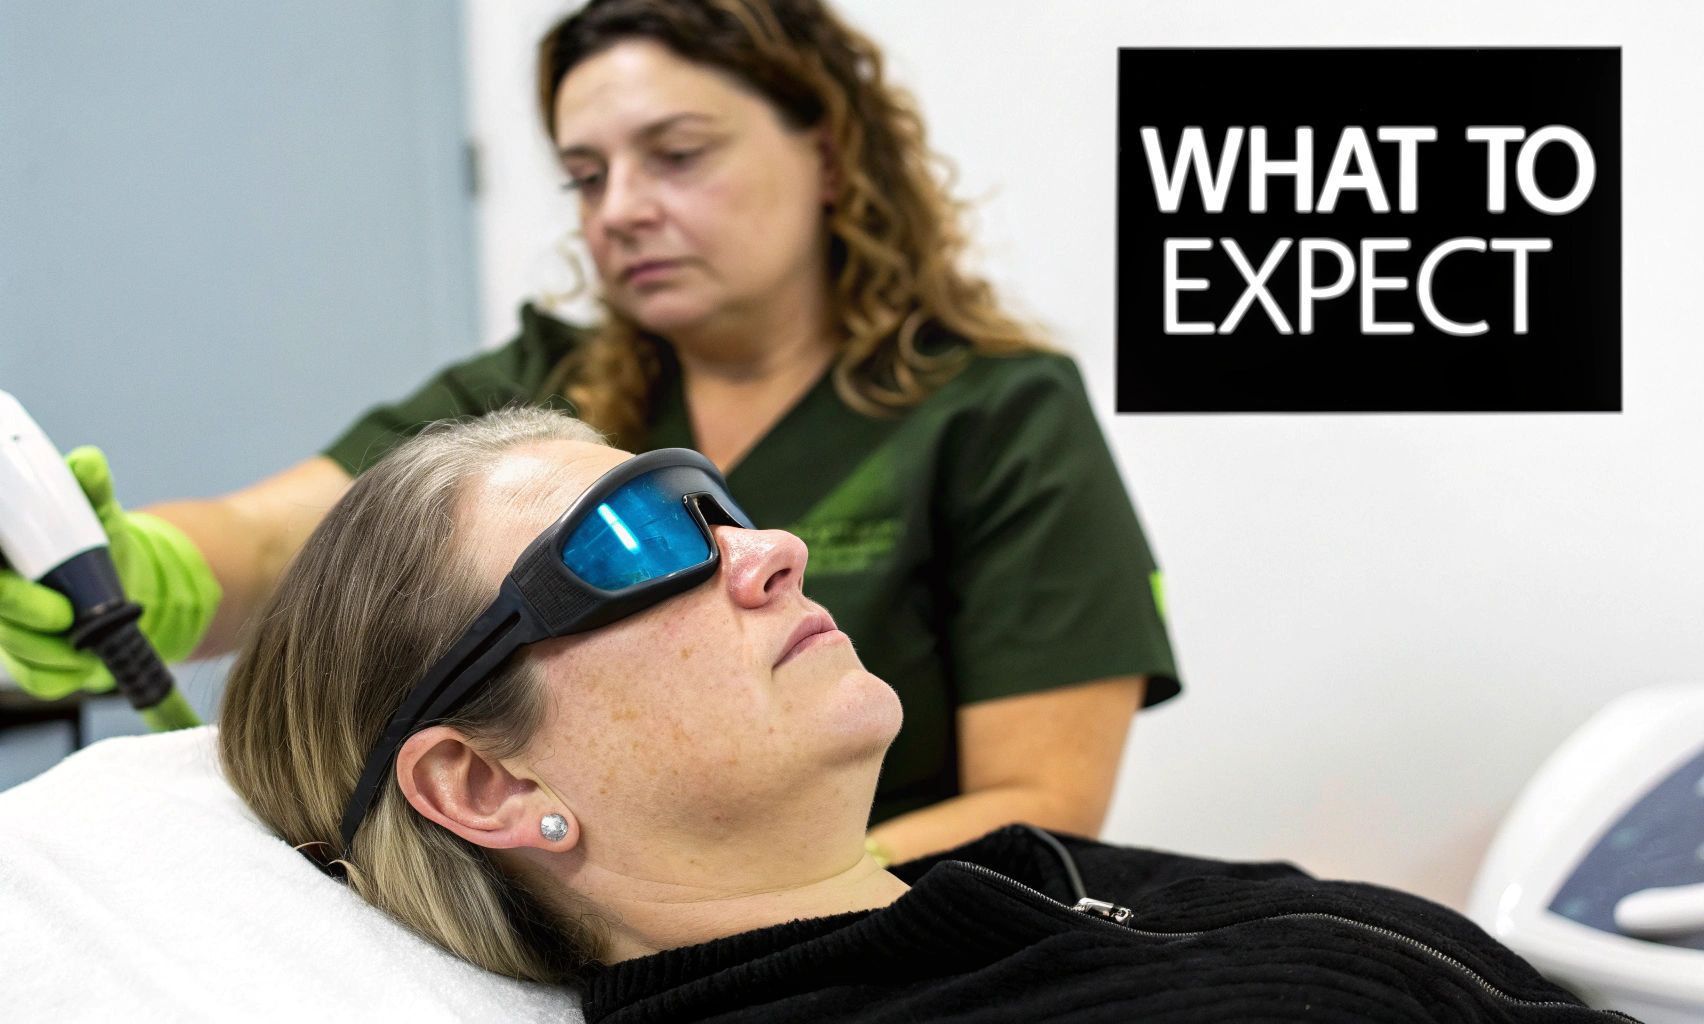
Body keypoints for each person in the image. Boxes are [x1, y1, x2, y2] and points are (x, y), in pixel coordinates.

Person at [0, 0, 1176, 864]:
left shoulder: (994, 412)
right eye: (584, 174)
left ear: (825, 151)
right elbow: (276, 544)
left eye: (676, 155)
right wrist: (139, 572)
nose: (620, 209)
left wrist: (760, 907)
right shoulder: (543, 394)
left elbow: (1042, 797)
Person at [217, 409, 1617, 1023]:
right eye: (633, 543)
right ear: (480, 783)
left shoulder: (1010, 896)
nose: (768, 553)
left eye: (717, 505)